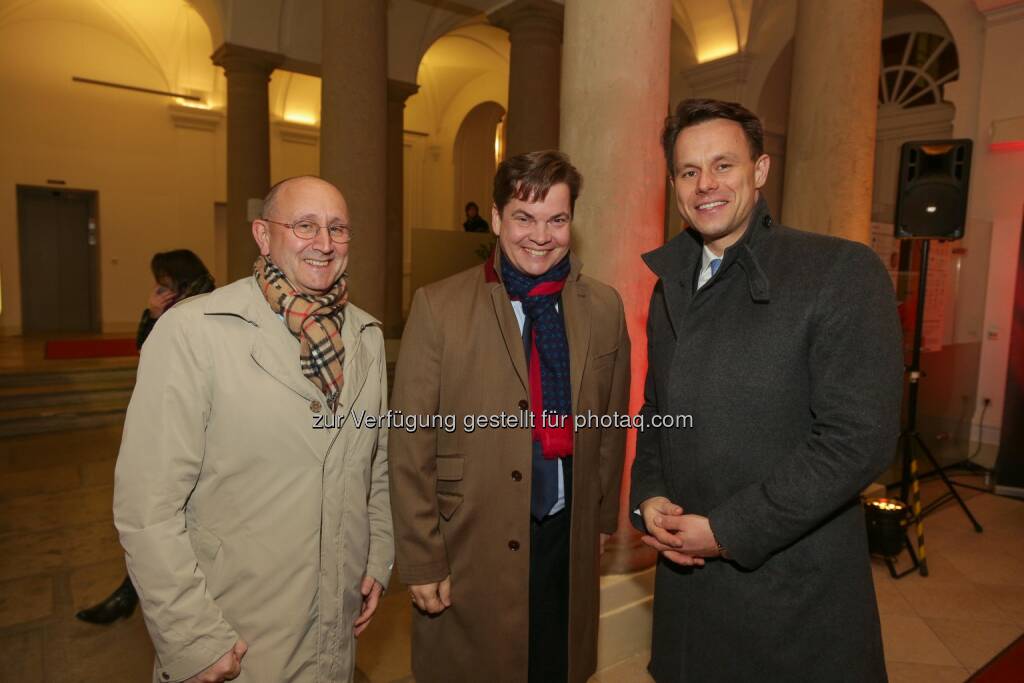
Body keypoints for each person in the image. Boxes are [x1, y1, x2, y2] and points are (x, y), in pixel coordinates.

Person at [630, 98, 903, 682]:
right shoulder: (670, 284)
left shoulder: (837, 272)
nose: (706, 184)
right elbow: (659, 410)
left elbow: (858, 439)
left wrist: (729, 532)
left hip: (791, 596)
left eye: (723, 165)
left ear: (760, 170)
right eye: (688, 171)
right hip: (689, 594)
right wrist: (649, 494)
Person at [114, 176, 393, 683]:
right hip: (235, 633)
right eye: (304, 225)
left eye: (338, 229)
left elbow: (375, 464)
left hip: (335, 624)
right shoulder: (194, 332)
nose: (324, 243)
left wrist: (378, 553)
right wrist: (193, 637)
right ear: (263, 236)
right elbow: (145, 505)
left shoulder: (367, 338)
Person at [390, 150, 630, 683]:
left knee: (556, 664)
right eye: (524, 217)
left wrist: (601, 519)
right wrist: (422, 558)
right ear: (497, 219)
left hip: (566, 536)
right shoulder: (439, 306)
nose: (540, 236)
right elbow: (410, 446)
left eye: (557, 220)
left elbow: (611, 426)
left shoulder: (604, 308)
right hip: (470, 537)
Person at [76, 249, 215, 625]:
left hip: (196, 423)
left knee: (173, 518)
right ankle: (131, 593)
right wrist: (153, 314)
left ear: (178, 276)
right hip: (166, 417)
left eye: (163, 279)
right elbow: (145, 349)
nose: (159, 286)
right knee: (159, 520)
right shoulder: (172, 306)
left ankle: (136, 596)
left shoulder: (206, 303)